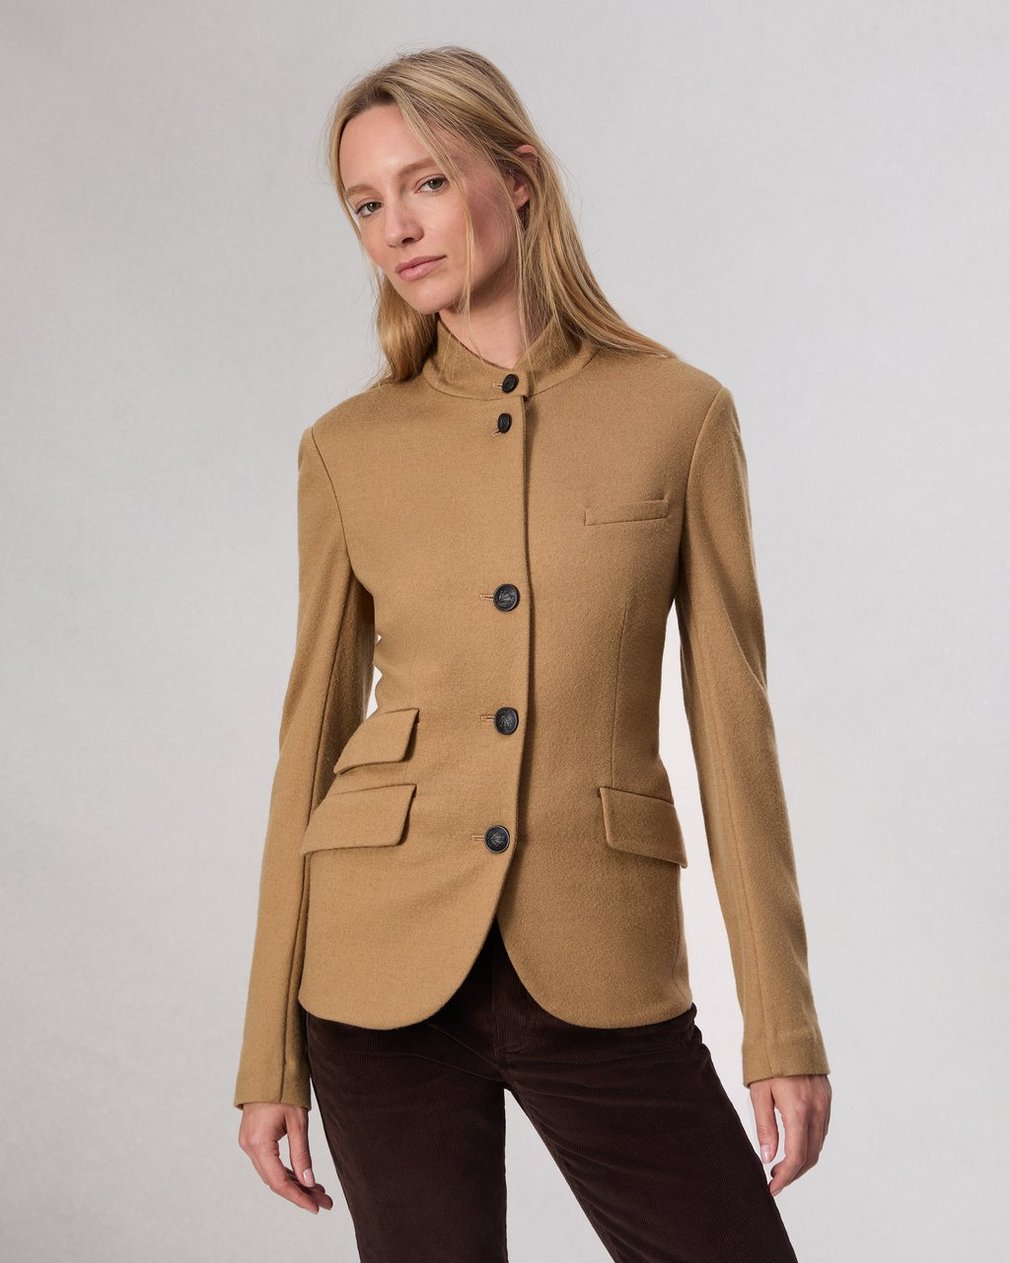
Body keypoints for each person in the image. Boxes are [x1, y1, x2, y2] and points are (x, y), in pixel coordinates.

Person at [234, 44, 832, 1262]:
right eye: (365, 205)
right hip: (376, 967)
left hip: (599, 952)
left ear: (515, 177)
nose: (397, 229)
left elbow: (732, 727)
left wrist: (780, 1025)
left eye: (425, 183)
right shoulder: (347, 447)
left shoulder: (676, 414)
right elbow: (311, 739)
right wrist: (265, 1058)